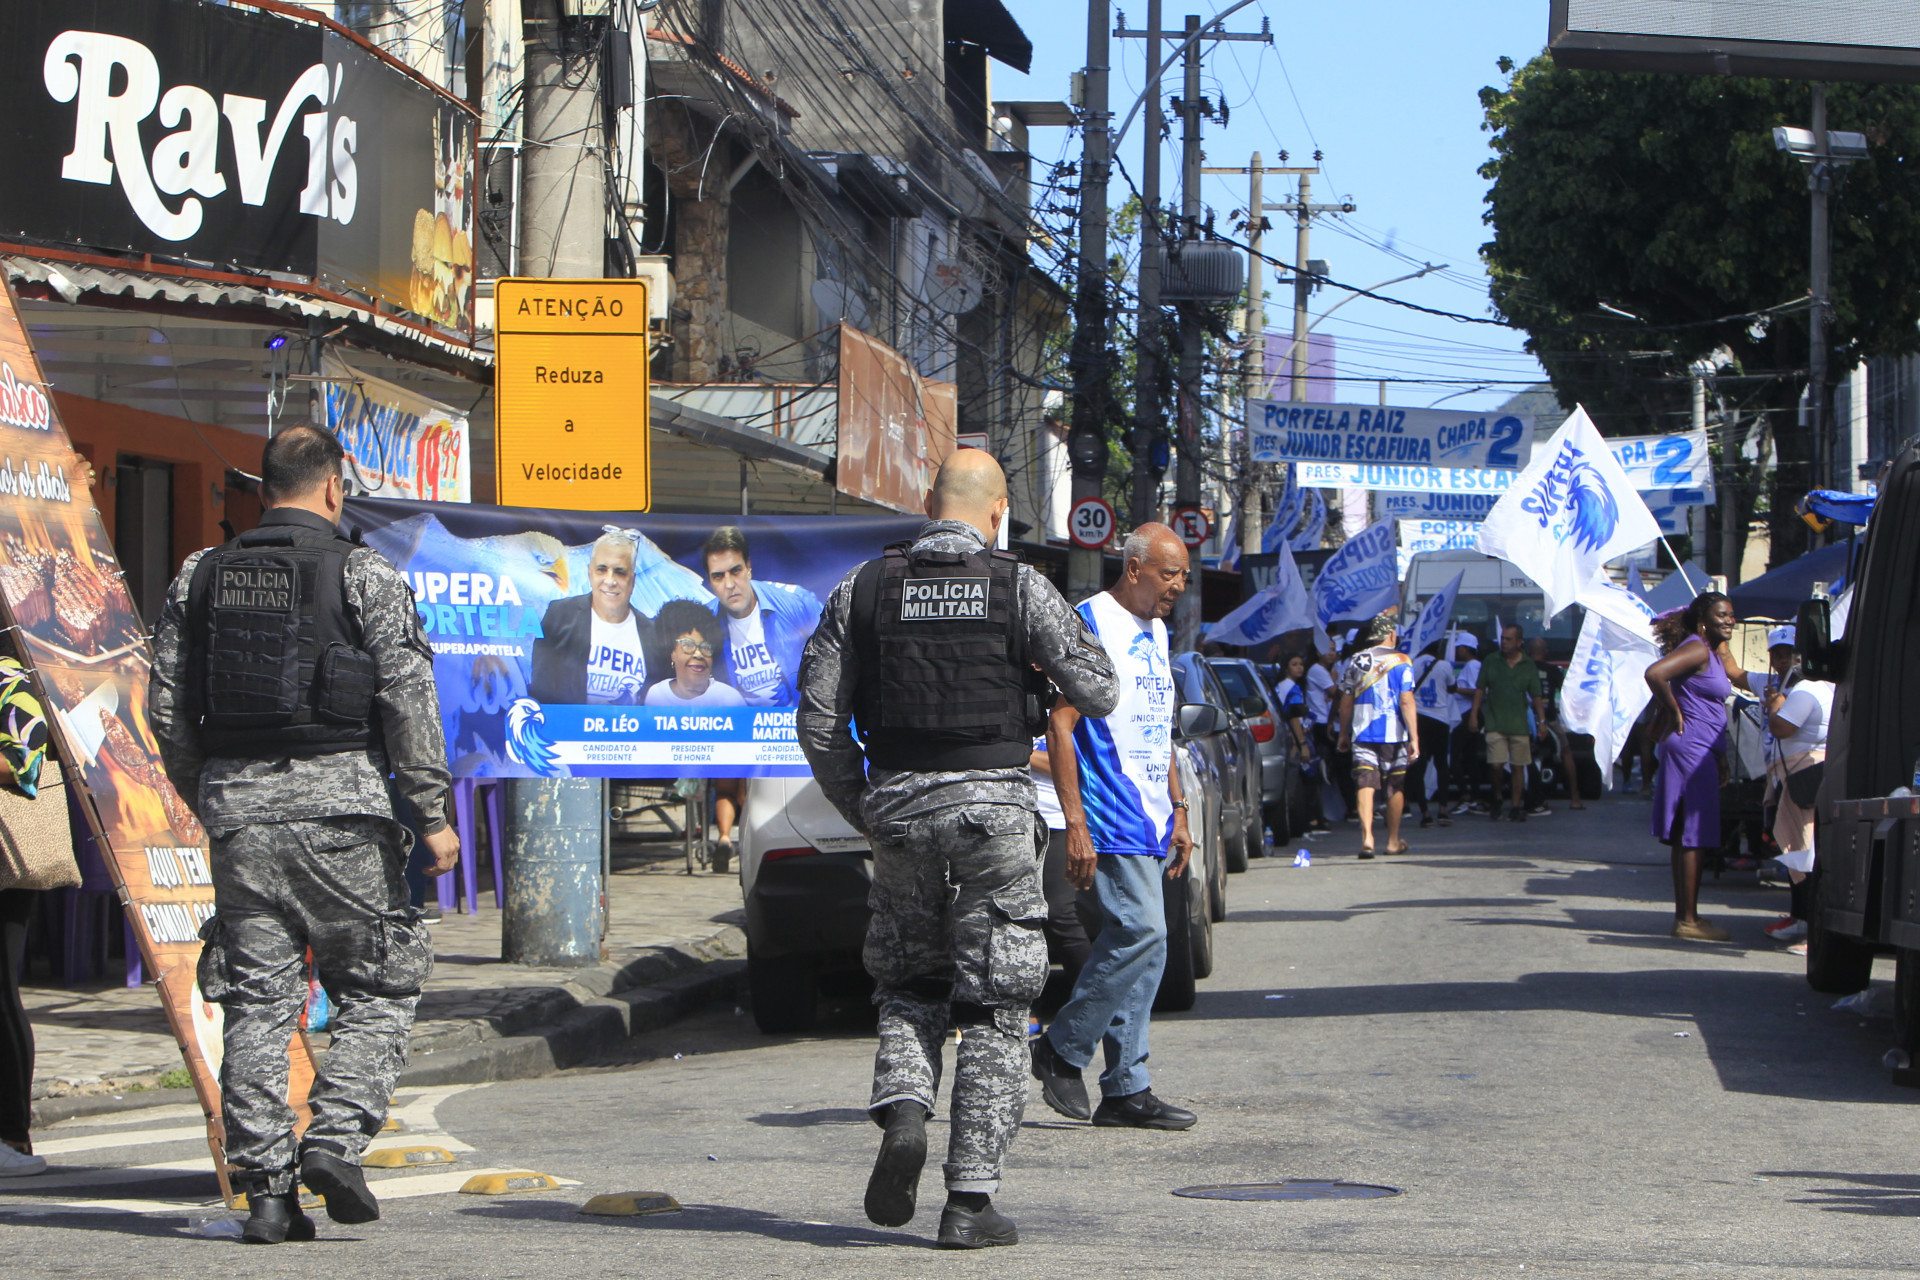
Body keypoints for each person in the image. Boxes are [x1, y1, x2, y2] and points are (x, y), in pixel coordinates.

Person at [796, 449, 1117, 1249]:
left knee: (909, 985)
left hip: (900, 811)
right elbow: (1101, 691)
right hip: (996, 820)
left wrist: (864, 806)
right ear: (999, 510)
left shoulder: (862, 590)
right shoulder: (1020, 587)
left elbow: (817, 720)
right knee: (999, 1009)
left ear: (927, 502)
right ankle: (969, 1203)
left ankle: (906, 1113)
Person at [149, 425, 458, 1244]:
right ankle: (333, 1142)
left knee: (258, 1002)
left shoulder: (200, 577)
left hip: (240, 821)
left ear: (263, 489)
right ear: (334, 489)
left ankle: (266, 1195)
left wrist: (212, 794)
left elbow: (167, 713)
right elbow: (407, 700)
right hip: (344, 820)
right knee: (379, 987)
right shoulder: (364, 574)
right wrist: (430, 814)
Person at [1032, 523, 1197, 1135]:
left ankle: (1128, 1087)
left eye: (1182, 574)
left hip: (1152, 814)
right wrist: (1075, 822)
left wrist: (1178, 810)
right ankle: (1060, 1047)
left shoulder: (1155, 630)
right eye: (1169, 573)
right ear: (1134, 568)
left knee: (1145, 956)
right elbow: (1060, 727)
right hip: (1110, 810)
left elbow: (1162, 729)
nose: (1178, 585)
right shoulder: (1088, 624)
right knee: (1142, 931)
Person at [700, 527, 824, 872]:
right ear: (709, 581)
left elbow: (835, 651)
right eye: (718, 576)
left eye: (735, 571)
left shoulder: (794, 602)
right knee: (740, 788)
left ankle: (736, 842)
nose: (729, 584)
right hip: (739, 723)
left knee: (763, 793)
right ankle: (743, 850)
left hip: (790, 723)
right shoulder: (706, 621)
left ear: (749, 568)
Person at [0, 657, 76, 1179]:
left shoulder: (8, 677)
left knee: (0, 993)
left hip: (6, 860)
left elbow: (24, 762)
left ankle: (11, 1135)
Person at [1643, 591, 1745, 942]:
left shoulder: (1712, 651)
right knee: (1692, 835)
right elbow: (1655, 673)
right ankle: (1687, 920)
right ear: (1704, 619)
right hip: (1690, 749)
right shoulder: (1698, 648)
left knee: (1689, 837)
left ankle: (1688, 916)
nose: (1730, 620)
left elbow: (1716, 700)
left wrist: (1722, 757)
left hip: (1702, 750)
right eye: (1722, 615)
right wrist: (1673, 710)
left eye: (1732, 614)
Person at [1742, 626, 1832, 948]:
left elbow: (1780, 727)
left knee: (1805, 855)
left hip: (1805, 779)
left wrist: (1775, 705)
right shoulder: (1801, 687)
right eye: (1778, 655)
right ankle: (1800, 918)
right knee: (1796, 853)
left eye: (1791, 654)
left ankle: (1810, 928)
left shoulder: (1806, 690)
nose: (1784, 661)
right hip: (1793, 777)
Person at [529, 527, 655, 705]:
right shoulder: (560, 616)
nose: (610, 581)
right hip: (572, 731)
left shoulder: (652, 632)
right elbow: (541, 693)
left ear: (632, 580)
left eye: (620, 572)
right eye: (601, 570)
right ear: (590, 573)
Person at [1335, 613, 1420, 857]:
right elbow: (1407, 701)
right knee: (1395, 786)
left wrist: (1344, 732)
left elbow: (1346, 702)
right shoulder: (1402, 660)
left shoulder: (1355, 660)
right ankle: (1392, 841)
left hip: (1362, 731)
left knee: (1365, 782)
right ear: (1391, 635)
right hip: (1394, 734)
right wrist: (1414, 737)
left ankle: (1367, 838)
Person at [1028, 736, 1089, 1012]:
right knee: (1014, 920)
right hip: (1005, 823)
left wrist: (1016, 754)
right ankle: (1025, 1013)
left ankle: (1095, 1002)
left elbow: (1070, 764)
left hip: (1056, 820)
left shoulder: (1063, 708)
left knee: (1059, 912)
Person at [1470, 624, 1547, 822]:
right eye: (1503, 638)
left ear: (1520, 642)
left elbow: (1536, 695)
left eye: (1509, 639)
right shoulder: (1491, 661)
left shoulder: (1528, 665)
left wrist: (1542, 721)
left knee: (1518, 766)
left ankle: (1514, 805)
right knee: (1496, 765)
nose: (1504, 642)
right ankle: (1497, 798)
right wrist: (1474, 715)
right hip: (1495, 722)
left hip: (1519, 724)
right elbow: (1480, 689)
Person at [644, 600, 744, 708]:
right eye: (688, 645)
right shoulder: (656, 695)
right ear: (671, 651)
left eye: (705, 647)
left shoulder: (729, 699)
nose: (698, 654)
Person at [1523, 637, 1582, 814]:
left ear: (1528, 651)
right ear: (1545, 652)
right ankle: (1574, 798)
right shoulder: (1554, 670)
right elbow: (1566, 693)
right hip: (1550, 720)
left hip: (1525, 719)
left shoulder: (1522, 668)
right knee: (1566, 752)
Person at [1271, 654, 1328, 837]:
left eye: (1301, 664)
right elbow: (1295, 716)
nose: (1299, 668)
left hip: (1285, 737)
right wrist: (1301, 743)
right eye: (1294, 664)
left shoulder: (1279, 687)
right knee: (1305, 781)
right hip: (1295, 738)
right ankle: (1307, 821)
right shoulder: (1293, 689)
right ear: (1286, 668)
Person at [1307, 643, 1358, 822]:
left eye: (1333, 649)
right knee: (1340, 766)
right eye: (1327, 649)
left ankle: (1350, 806)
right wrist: (1334, 685)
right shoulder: (1317, 670)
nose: (1331, 653)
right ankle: (1351, 807)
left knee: (1342, 767)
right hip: (1321, 723)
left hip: (1332, 723)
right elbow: (1338, 692)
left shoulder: (1331, 670)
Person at [1410, 638, 1455, 829]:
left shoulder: (1413, 664)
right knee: (1441, 765)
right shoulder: (1444, 665)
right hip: (1440, 718)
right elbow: (1453, 687)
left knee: (1419, 766)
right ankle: (1443, 809)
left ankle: (1425, 812)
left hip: (1419, 718)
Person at [1448, 633, 1486, 814]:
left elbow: (1477, 690)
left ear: (1465, 648)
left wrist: (1455, 689)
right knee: (1470, 758)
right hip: (1468, 714)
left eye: (1459, 647)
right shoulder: (1473, 666)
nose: (1456, 650)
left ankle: (1465, 795)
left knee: (1454, 756)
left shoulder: (1473, 666)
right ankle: (1475, 796)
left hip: (1468, 715)